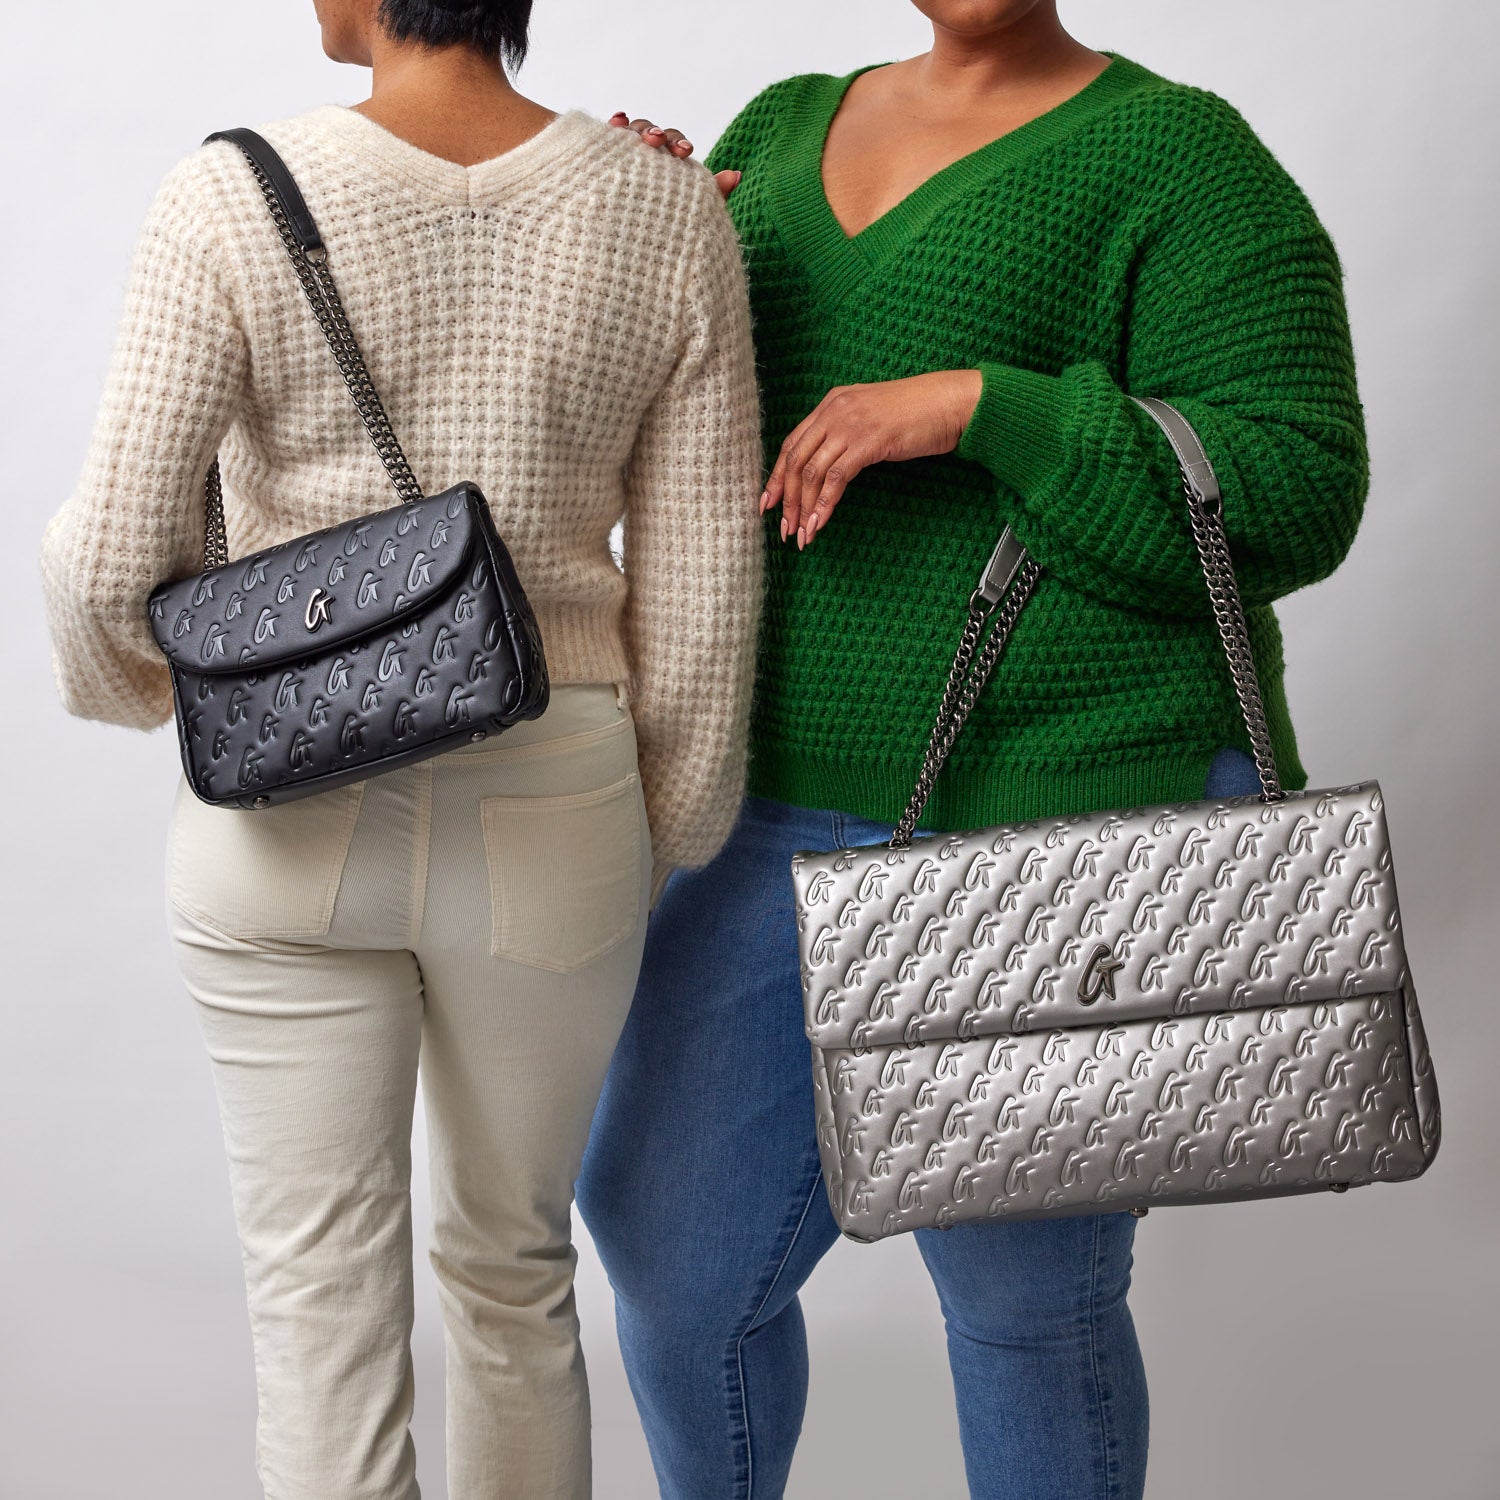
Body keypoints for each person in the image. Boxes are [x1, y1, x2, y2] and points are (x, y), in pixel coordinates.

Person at [578, 3, 1368, 1497]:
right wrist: (623, 238)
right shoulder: (778, 126)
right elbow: (662, 440)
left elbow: (1300, 484)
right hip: (770, 805)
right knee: (669, 1260)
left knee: (1019, 1311)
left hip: (1045, 822)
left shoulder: (1180, 156)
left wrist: (987, 410)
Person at [39, 1, 762, 1494]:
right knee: (515, 1272)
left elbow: (111, 559)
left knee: (316, 1308)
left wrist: (136, 688)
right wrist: (648, 835)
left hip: (284, 814)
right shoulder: (668, 210)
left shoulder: (226, 196)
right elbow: (705, 618)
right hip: (554, 812)